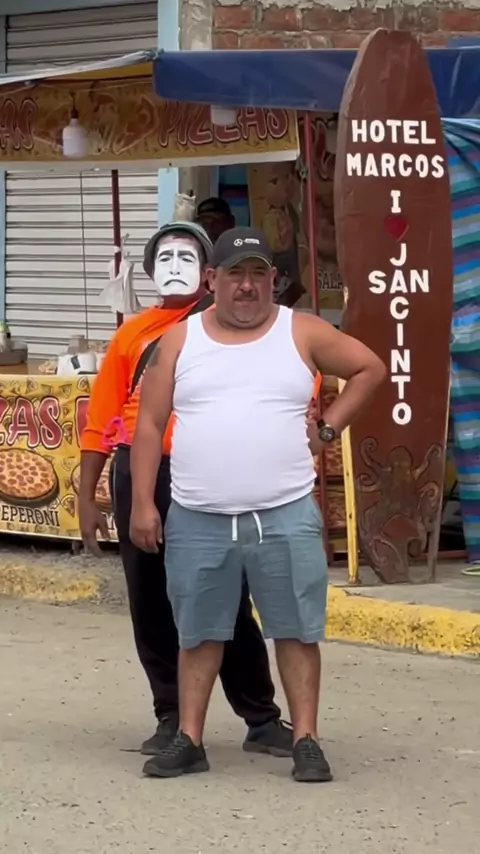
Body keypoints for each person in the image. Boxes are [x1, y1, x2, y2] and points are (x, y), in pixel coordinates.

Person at [129, 226, 386, 782]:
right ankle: (190, 739)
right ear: (211, 280)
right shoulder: (180, 340)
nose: (246, 286)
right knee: (198, 632)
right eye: (235, 274)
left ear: (273, 280)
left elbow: (370, 368)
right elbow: (148, 425)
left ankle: (306, 739)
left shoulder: (302, 331)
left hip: (284, 512)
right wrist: (142, 503)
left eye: (257, 274)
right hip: (197, 514)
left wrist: (328, 427)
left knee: (295, 629)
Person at [78, 220, 293, 763]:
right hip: (142, 472)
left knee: (228, 598)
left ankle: (261, 717)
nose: (175, 267)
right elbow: (101, 418)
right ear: (150, 271)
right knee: (150, 598)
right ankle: (171, 716)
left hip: (212, 472)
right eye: (165, 258)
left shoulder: (234, 328)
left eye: (187, 257)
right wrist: (86, 496)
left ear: (209, 273)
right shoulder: (132, 334)